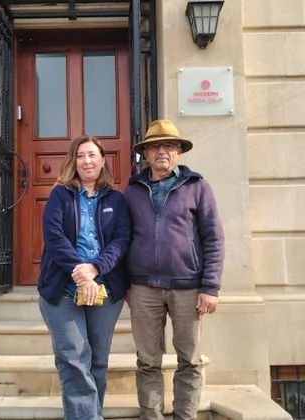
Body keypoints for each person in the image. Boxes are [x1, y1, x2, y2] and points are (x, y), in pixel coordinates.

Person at [123, 119, 225, 420]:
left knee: (190, 361)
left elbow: (214, 238)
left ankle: (185, 416)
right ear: (146, 153)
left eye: (168, 145)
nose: (162, 151)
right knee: (147, 361)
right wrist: (126, 284)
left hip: (189, 288)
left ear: (179, 151)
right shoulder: (132, 190)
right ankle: (151, 416)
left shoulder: (198, 187)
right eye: (155, 146)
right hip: (143, 288)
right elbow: (123, 238)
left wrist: (210, 287)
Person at [37, 135, 132, 420]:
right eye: (80, 156)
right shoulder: (60, 195)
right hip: (62, 291)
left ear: (103, 161)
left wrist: (95, 269)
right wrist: (81, 273)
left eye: (92, 155)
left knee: (98, 362)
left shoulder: (116, 200)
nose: (87, 161)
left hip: (105, 289)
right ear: (73, 162)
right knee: (74, 358)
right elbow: (54, 238)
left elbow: (121, 239)